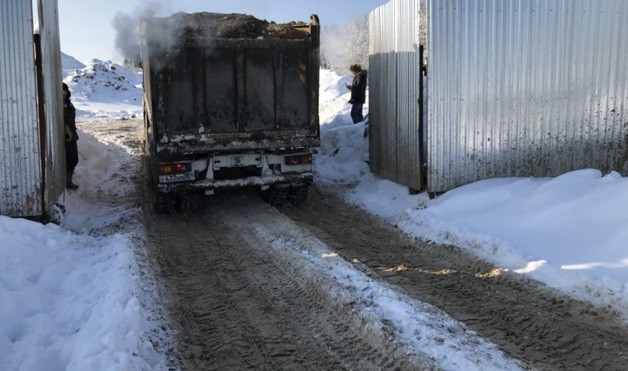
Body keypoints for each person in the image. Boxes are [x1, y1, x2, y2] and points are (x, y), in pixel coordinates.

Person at [63, 83, 79, 190]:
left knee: (73, 159)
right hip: (64, 136)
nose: (63, 92)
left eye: (64, 90)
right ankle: (65, 182)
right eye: (61, 90)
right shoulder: (57, 104)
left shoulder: (69, 104)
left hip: (71, 135)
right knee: (65, 159)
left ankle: (69, 181)